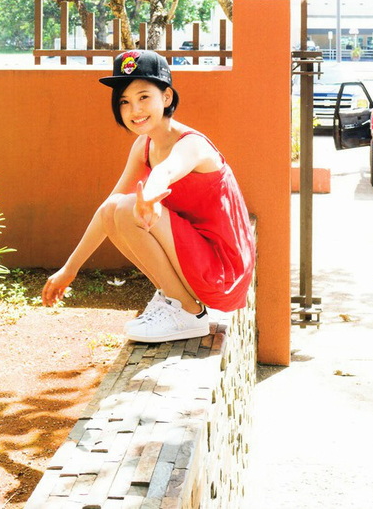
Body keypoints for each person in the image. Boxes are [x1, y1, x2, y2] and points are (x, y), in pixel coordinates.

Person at [41, 49, 256, 343]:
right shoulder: (144, 145)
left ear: (166, 97)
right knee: (114, 209)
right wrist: (70, 269)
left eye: (144, 97)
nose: (134, 110)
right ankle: (174, 299)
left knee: (127, 208)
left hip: (223, 273)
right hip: (197, 265)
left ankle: (188, 313)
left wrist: (149, 197)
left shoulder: (192, 144)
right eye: (124, 101)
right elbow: (107, 210)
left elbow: (166, 171)